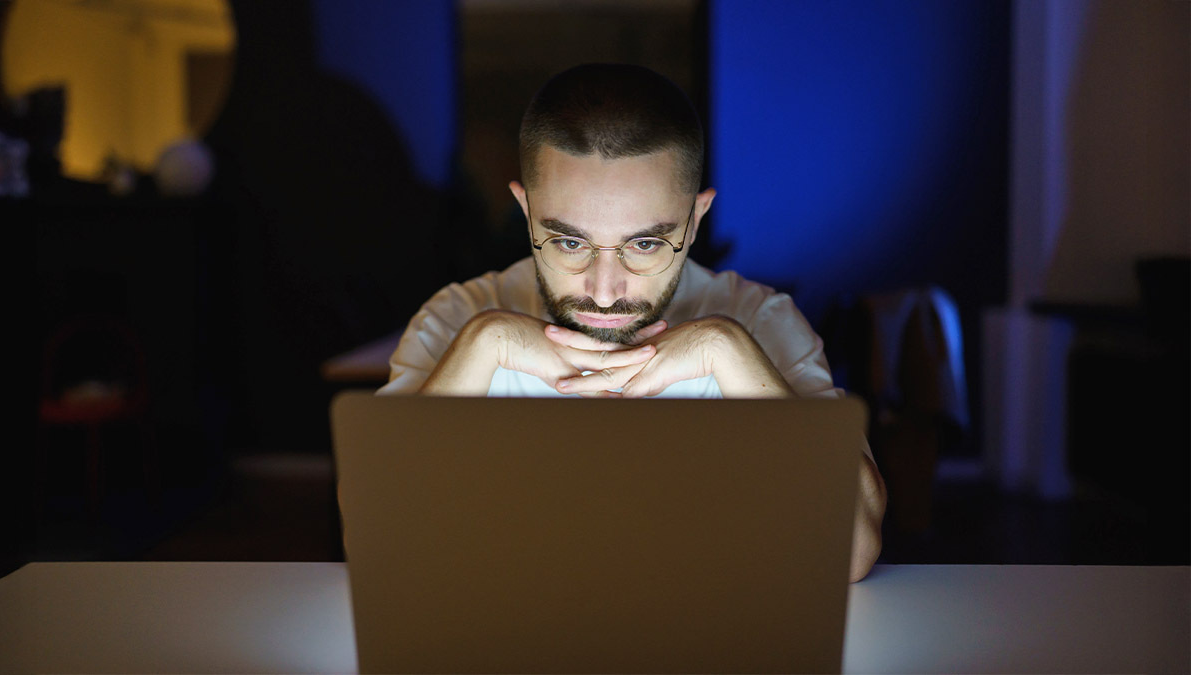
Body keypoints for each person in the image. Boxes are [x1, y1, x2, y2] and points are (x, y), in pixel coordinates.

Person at [377, 63, 886, 582]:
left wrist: (726, 347)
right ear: (526, 213)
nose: (602, 292)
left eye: (644, 244)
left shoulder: (763, 321)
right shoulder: (457, 319)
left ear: (693, 223)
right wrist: (484, 345)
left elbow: (850, 552)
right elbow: (380, 542)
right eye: (570, 242)